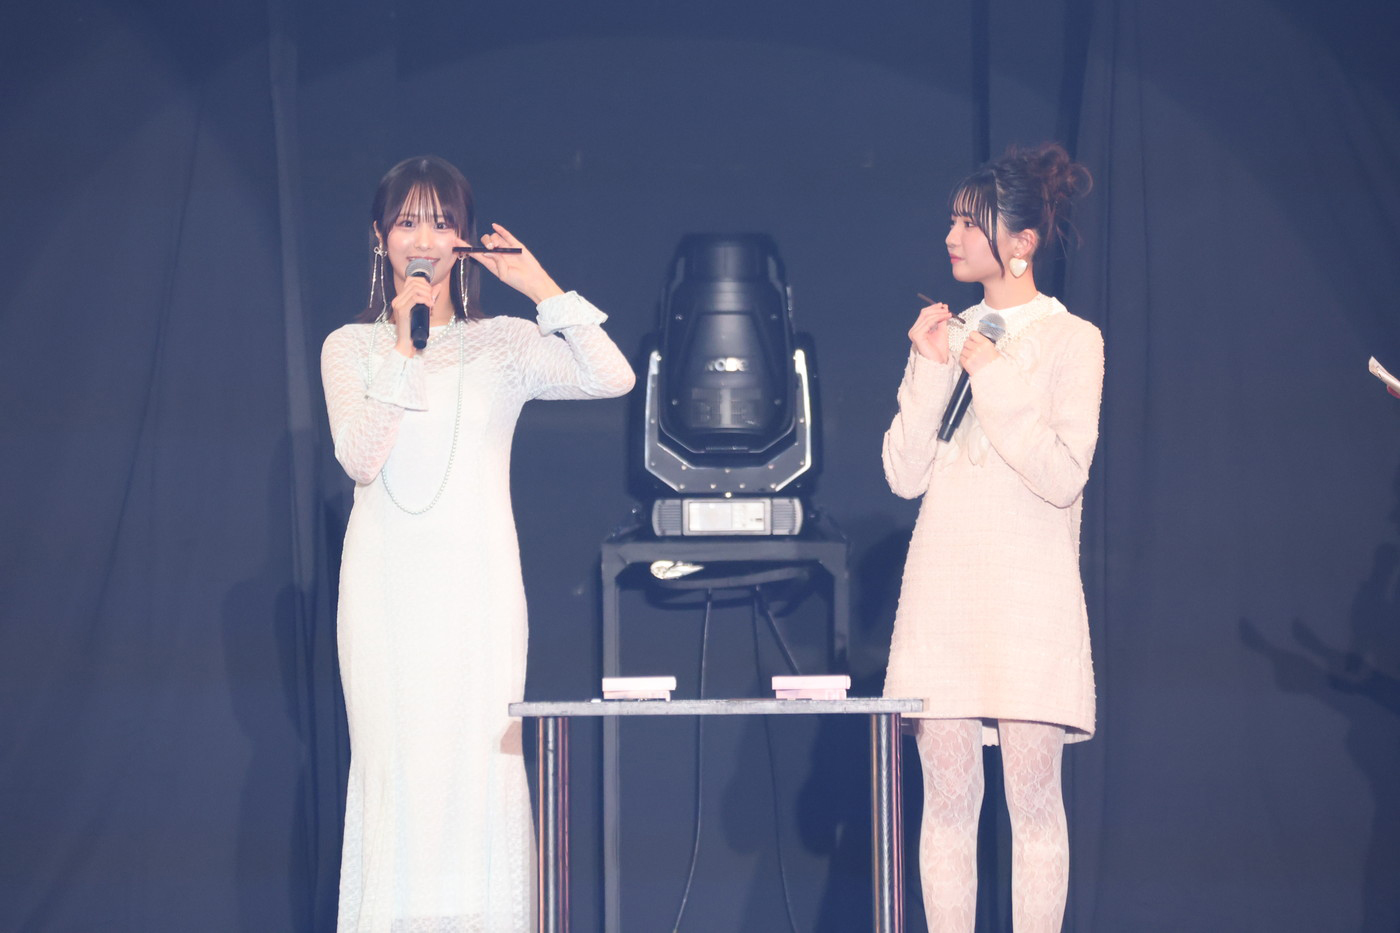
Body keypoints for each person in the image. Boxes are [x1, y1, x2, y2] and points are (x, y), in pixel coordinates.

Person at [320, 155, 635, 931]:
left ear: (463, 239)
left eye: (441, 222)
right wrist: (405, 344)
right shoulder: (349, 348)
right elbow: (361, 457)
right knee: (397, 774)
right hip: (386, 594)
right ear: (380, 238)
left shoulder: (505, 343)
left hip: (479, 594)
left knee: (481, 773)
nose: (423, 239)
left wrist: (541, 286)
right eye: (407, 222)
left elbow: (613, 376)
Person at [881, 142, 1102, 932]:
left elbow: (1063, 473)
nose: (952, 237)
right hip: (943, 594)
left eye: (970, 224)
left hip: (1030, 600)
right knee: (945, 804)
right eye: (951, 221)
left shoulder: (1074, 339)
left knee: (1034, 805)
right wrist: (928, 365)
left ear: (1021, 242)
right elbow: (903, 473)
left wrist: (994, 374)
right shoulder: (951, 333)